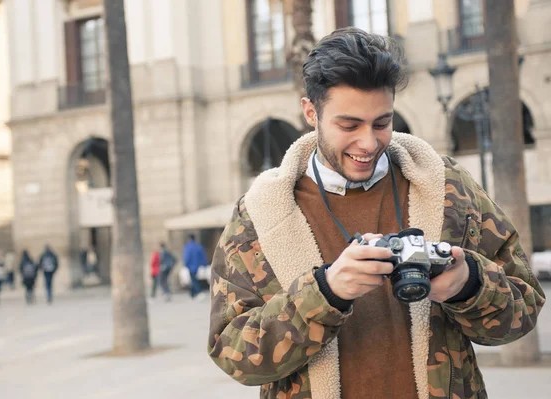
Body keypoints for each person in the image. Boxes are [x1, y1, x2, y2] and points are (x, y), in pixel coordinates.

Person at [208, 28, 546, 399]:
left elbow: (525, 307)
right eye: (349, 125)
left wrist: (470, 285)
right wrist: (325, 292)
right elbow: (232, 354)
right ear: (311, 112)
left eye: (382, 123)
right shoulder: (260, 212)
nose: (368, 143)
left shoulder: (448, 187)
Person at [182, 235, 207, 300]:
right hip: (197, 266)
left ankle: (199, 292)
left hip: (191, 266)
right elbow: (202, 256)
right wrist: (204, 264)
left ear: (189, 239)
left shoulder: (188, 247)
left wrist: (186, 264)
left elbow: (187, 257)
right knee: (194, 279)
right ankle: (192, 294)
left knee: (193, 280)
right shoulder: (198, 246)